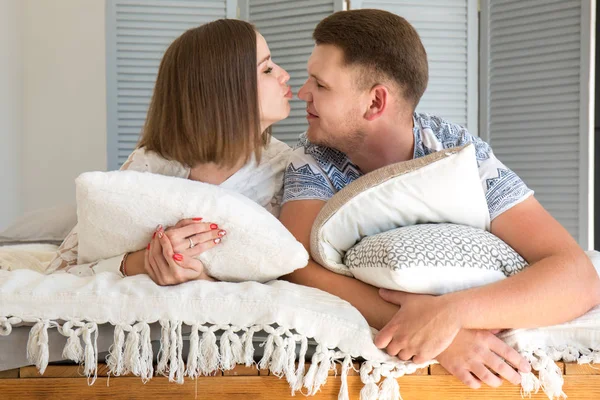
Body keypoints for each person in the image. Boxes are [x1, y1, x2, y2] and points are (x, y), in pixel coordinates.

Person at [279, 9, 600, 389]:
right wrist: (432, 331)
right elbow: (297, 266)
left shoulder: (459, 152)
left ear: (375, 102)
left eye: (320, 84)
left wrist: (450, 315)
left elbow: (578, 277)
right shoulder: (312, 157)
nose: (302, 92)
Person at [47, 19, 293, 285]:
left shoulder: (288, 170)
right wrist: (143, 262)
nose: (285, 75)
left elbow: (296, 276)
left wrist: (202, 277)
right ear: (223, 89)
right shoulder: (152, 164)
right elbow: (59, 271)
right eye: (267, 69)